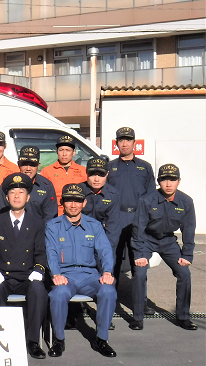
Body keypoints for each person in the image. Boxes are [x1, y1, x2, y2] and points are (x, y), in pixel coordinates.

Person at [45, 184, 117, 358]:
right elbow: (51, 253)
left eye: (77, 201)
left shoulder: (94, 226)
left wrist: (107, 272)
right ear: (62, 202)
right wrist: (55, 274)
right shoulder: (53, 226)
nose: (73, 205)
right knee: (58, 294)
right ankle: (59, 339)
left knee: (108, 291)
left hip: (89, 276)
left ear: (84, 203)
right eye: (69, 200)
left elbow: (105, 251)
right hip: (65, 276)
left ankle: (102, 339)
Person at [0, 174, 48, 359]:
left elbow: (41, 252)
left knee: (39, 290)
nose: (17, 196)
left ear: (28, 197)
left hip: (27, 275)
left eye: (21, 192)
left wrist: (39, 269)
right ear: (6, 197)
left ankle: (33, 341)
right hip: (4, 275)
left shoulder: (37, 223)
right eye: (13, 192)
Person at [131, 164, 197, 331]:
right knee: (139, 273)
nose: (168, 184)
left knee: (184, 273)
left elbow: (189, 230)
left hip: (168, 241)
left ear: (179, 181)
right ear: (158, 181)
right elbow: (138, 229)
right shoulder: (146, 200)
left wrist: (187, 255)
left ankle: (183, 317)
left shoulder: (186, 202)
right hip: (147, 240)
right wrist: (139, 254)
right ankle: (137, 317)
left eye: (172, 179)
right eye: (164, 179)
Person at [107, 126, 156, 316]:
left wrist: (149, 220)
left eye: (128, 140)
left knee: (139, 262)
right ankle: (111, 301)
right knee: (113, 261)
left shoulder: (145, 167)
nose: (125, 143)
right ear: (117, 143)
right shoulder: (110, 167)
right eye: (121, 140)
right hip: (116, 219)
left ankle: (141, 303)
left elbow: (151, 195)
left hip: (138, 219)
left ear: (134, 143)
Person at [0, 145, 57, 223]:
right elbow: (1, 213)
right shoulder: (8, 184)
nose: (28, 168)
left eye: (32, 165)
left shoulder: (46, 186)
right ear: (19, 164)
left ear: (38, 165)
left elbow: (50, 217)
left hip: (38, 230)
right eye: (24, 164)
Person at [40, 135, 87, 216]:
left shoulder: (83, 171)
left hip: (77, 213)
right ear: (57, 152)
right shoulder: (47, 171)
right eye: (61, 150)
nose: (64, 154)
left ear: (74, 152)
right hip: (55, 214)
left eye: (68, 150)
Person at [81, 157, 121, 252]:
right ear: (86, 173)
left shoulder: (113, 195)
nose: (96, 179)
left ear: (107, 174)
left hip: (103, 240)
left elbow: (113, 227)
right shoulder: (78, 191)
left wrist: (106, 250)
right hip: (79, 239)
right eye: (92, 174)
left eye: (101, 175)